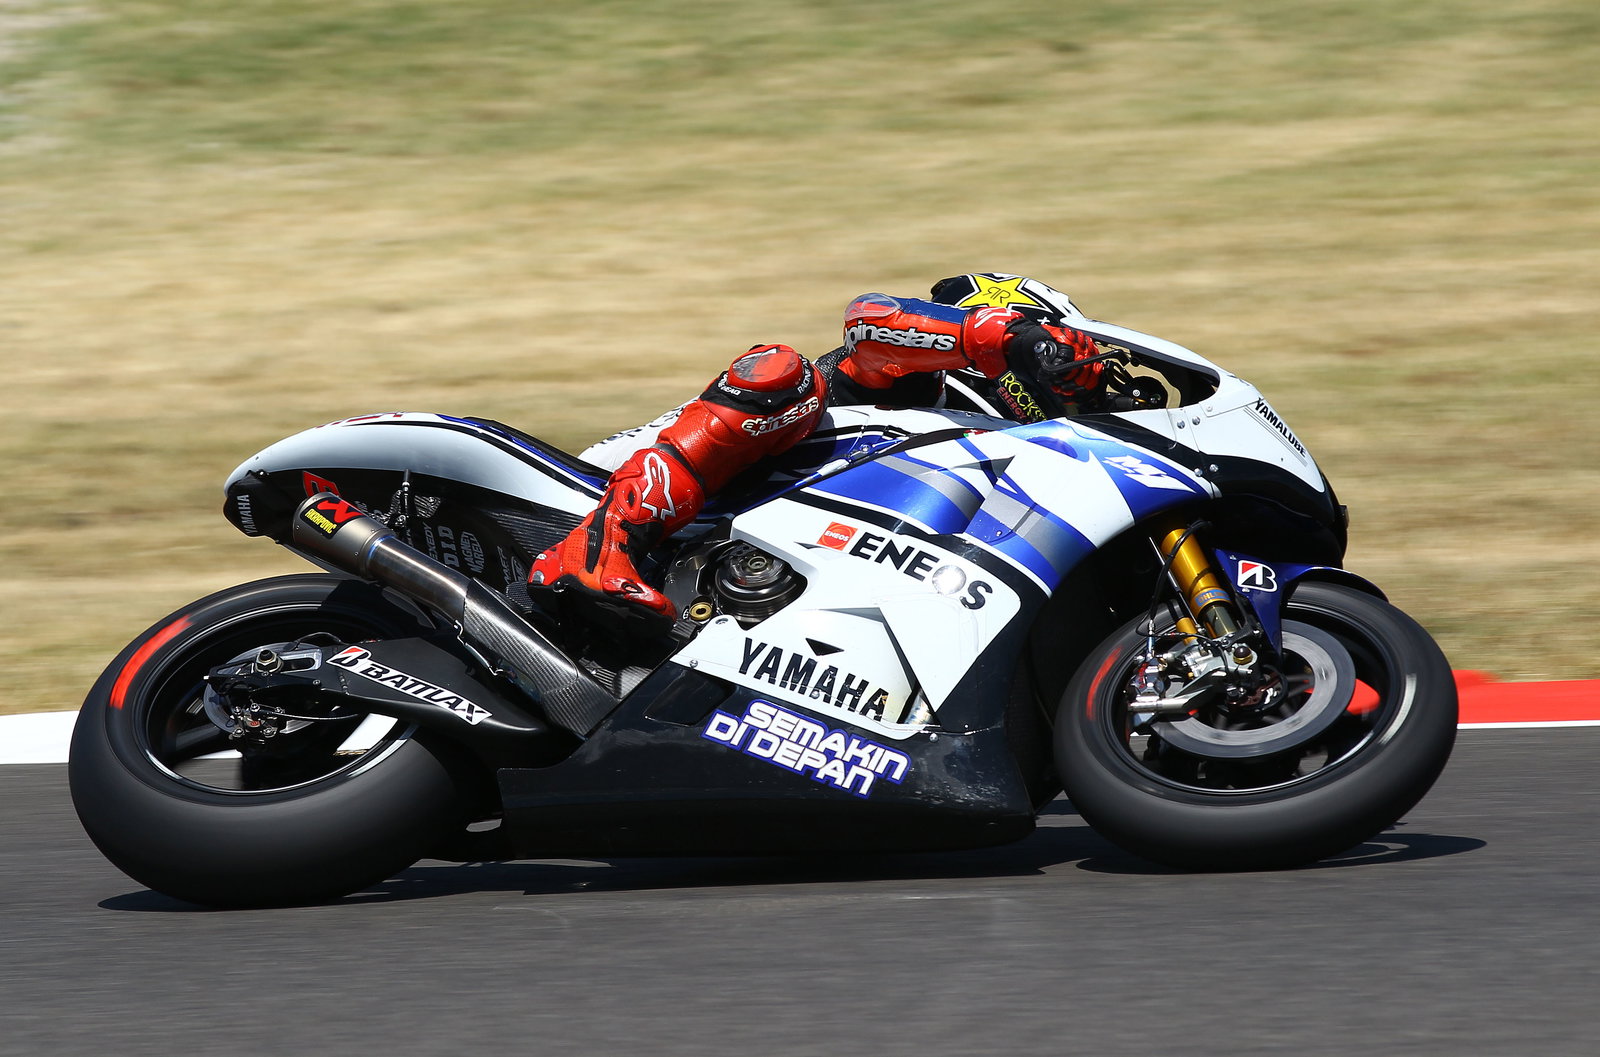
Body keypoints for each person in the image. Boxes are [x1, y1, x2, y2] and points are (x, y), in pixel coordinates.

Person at [527, 273, 1106, 627]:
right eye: (1061, 351)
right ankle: (598, 547)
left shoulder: (994, 456)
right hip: (586, 490)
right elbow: (870, 320)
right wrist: (1012, 340)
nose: (1072, 379)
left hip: (723, 569)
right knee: (783, 374)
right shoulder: (915, 381)